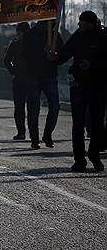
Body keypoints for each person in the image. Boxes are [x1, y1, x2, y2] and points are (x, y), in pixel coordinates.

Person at [54, 11, 105, 172]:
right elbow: (63, 54)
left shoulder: (103, 37)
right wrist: (52, 56)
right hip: (79, 86)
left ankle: (94, 154)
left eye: (81, 22)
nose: (78, 25)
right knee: (78, 124)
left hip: (98, 86)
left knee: (97, 124)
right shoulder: (77, 36)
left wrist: (92, 65)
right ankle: (79, 160)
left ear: (89, 23)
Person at [24, 20, 64, 148]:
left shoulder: (54, 35)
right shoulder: (30, 34)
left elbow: (62, 54)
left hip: (50, 75)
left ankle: (47, 135)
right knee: (33, 109)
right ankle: (34, 139)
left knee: (55, 106)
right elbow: (24, 55)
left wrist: (54, 55)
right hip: (33, 75)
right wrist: (42, 53)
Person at [3, 22, 33, 145]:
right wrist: (13, 72)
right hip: (19, 79)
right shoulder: (15, 45)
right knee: (20, 107)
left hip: (31, 79)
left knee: (31, 107)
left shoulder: (33, 45)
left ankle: (30, 132)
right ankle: (21, 132)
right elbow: (6, 60)